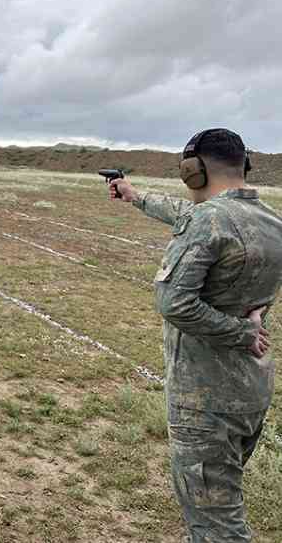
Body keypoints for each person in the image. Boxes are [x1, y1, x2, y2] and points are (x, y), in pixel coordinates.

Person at [107, 128, 280, 542]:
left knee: (217, 525)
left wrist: (240, 333)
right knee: (217, 501)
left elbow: (174, 303)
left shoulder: (209, 220)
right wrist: (135, 195)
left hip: (205, 399)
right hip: (250, 390)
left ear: (193, 170)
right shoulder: (270, 221)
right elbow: (191, 216)